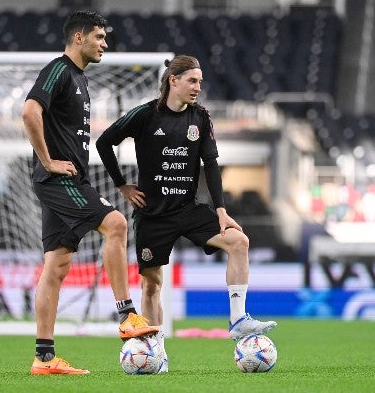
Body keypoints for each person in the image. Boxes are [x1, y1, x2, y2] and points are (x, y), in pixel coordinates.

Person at [96, 54, 277, 373]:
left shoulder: (201, 117)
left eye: (200, 82)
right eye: (192, 81)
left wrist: (221, 209)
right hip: (152, 215)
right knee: (151, 285)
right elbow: (104, 142)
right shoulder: (144, 116)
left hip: (189, 209)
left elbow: (211, 164)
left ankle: (237, 320)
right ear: (173, 80)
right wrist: (122, 184)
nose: (197, 87)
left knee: (239, 242)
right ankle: (157, 352)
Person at [22, 10, 158, 375]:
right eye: (99, 36)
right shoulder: (58, 69)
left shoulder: (80, 79)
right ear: (78, 38)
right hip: (59, 178)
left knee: (57, 264)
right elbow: (29, 111)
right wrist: (49, 161)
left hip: (69, 178)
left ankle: (44, 358)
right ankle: (127, 315)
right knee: (116, 224)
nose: (105, 44)